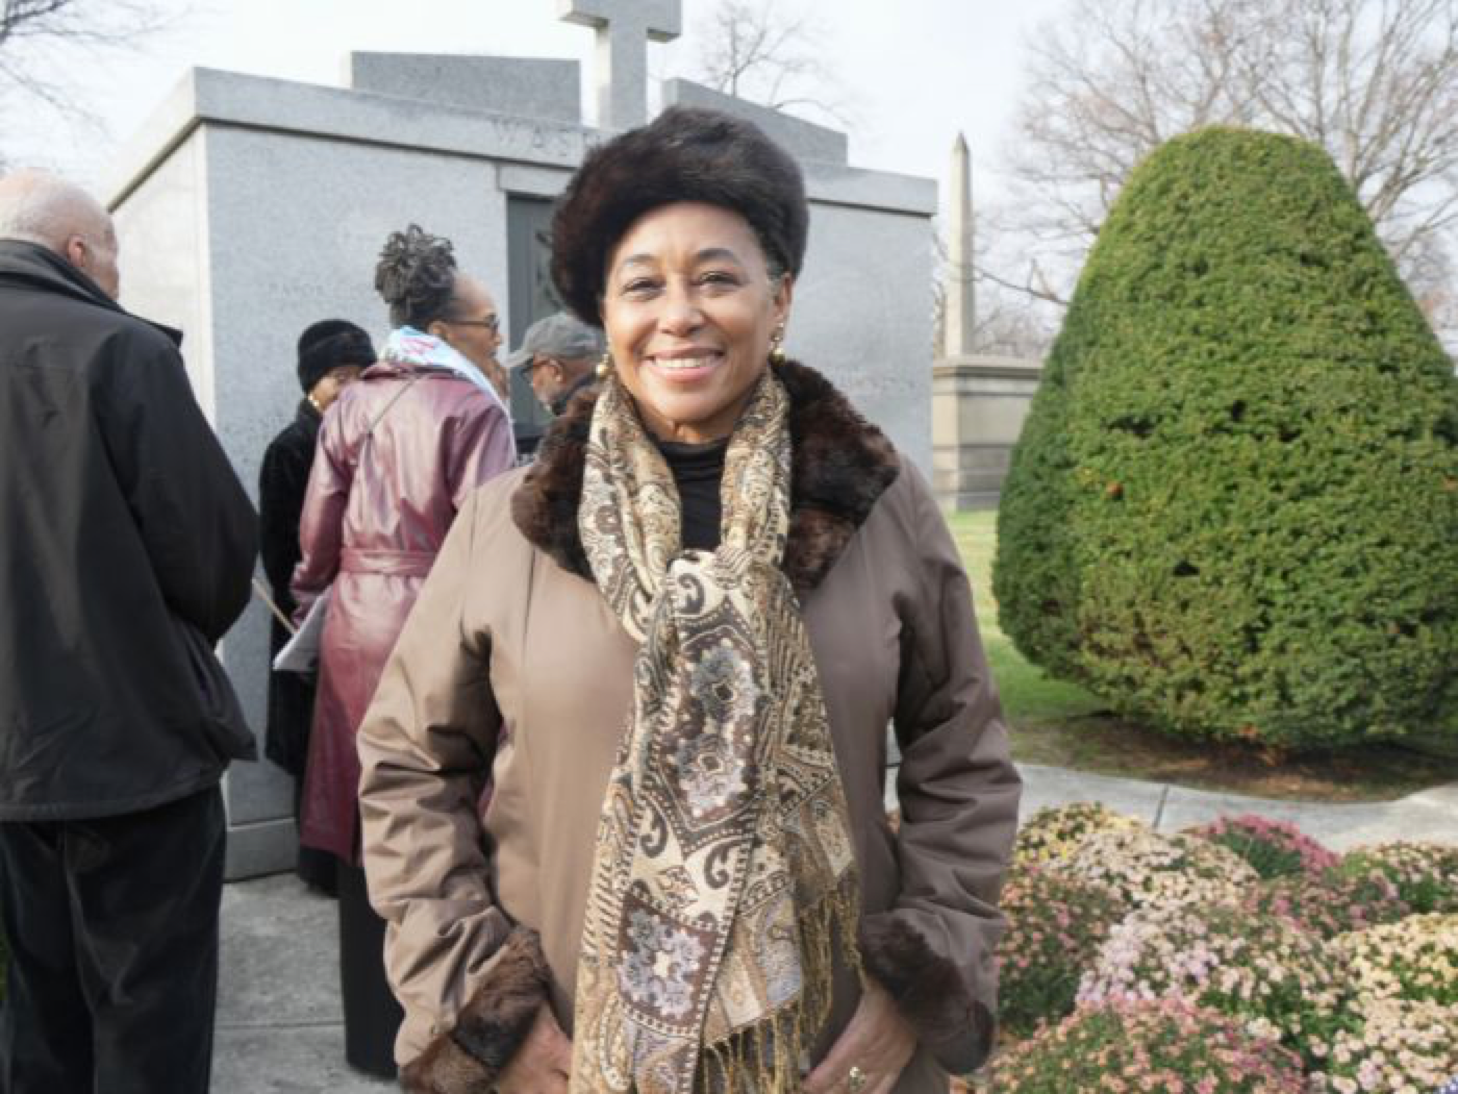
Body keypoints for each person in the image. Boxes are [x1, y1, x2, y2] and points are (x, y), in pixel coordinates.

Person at [357, 108, 1022, 1095]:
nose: (680, 314)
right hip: (571, 1055)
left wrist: (911, 997)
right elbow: (408, 766)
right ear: (605, 314)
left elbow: (962, 756)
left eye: (717, 276)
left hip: (836, 1052)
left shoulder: (880, 506)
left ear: (780, 297)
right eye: (643, 285)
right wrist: (483, 1008)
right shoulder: (511, 522)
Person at [0, 169, 257, 1093]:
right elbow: (217, 554)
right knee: (150, 1015)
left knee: (37, 1013)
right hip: (133, 751)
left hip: (10, 766)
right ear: (77, 252)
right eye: (114, 255)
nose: (117, 275)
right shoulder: (121, 350)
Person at [290, 224, 517, 1079]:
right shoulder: (471, 406)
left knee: (362, 814)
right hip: (437, 624)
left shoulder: (351, 401)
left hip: (353, 624)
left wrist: (321, 600)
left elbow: (314, 538)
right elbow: (492, 541)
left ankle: (368, 1036)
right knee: (447, 810)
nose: (498, 341)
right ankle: (445, 1025)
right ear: (453, 327)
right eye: (492, 325)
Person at [259, 319, 375, 895]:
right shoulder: (291, 447)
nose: (351, 388)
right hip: (309, 616)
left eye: (361, 375)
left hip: (362, 618)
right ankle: (321, 867)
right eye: (339, 377)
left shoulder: (371, 439)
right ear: (313, 385)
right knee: (315, 747)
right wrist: (312, 609)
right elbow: (280, 553)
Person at [506, 310, 605, 416]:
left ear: (555, 370)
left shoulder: (577, 424)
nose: (532, 383)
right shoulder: (614, 399)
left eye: (531, 371)